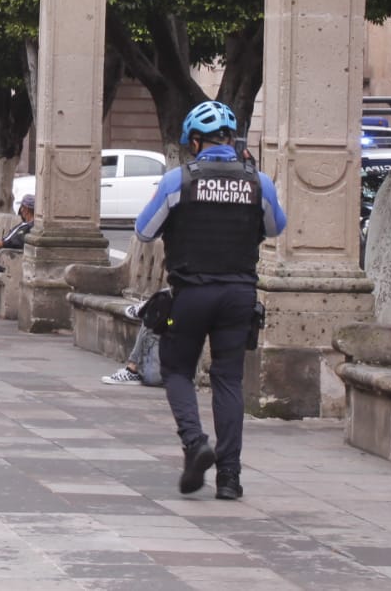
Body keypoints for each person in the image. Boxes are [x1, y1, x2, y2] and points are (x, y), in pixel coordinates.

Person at [135, 101, 285, 501]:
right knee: (228, 379)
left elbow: (144, 232)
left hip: (191, 294)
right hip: (239, 295)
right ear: (233, 141)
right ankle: (230, 478)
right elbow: (275, 227)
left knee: (178, 370)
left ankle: (194, 442)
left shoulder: (177, 181)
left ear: (196, 141)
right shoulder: (259, 182)